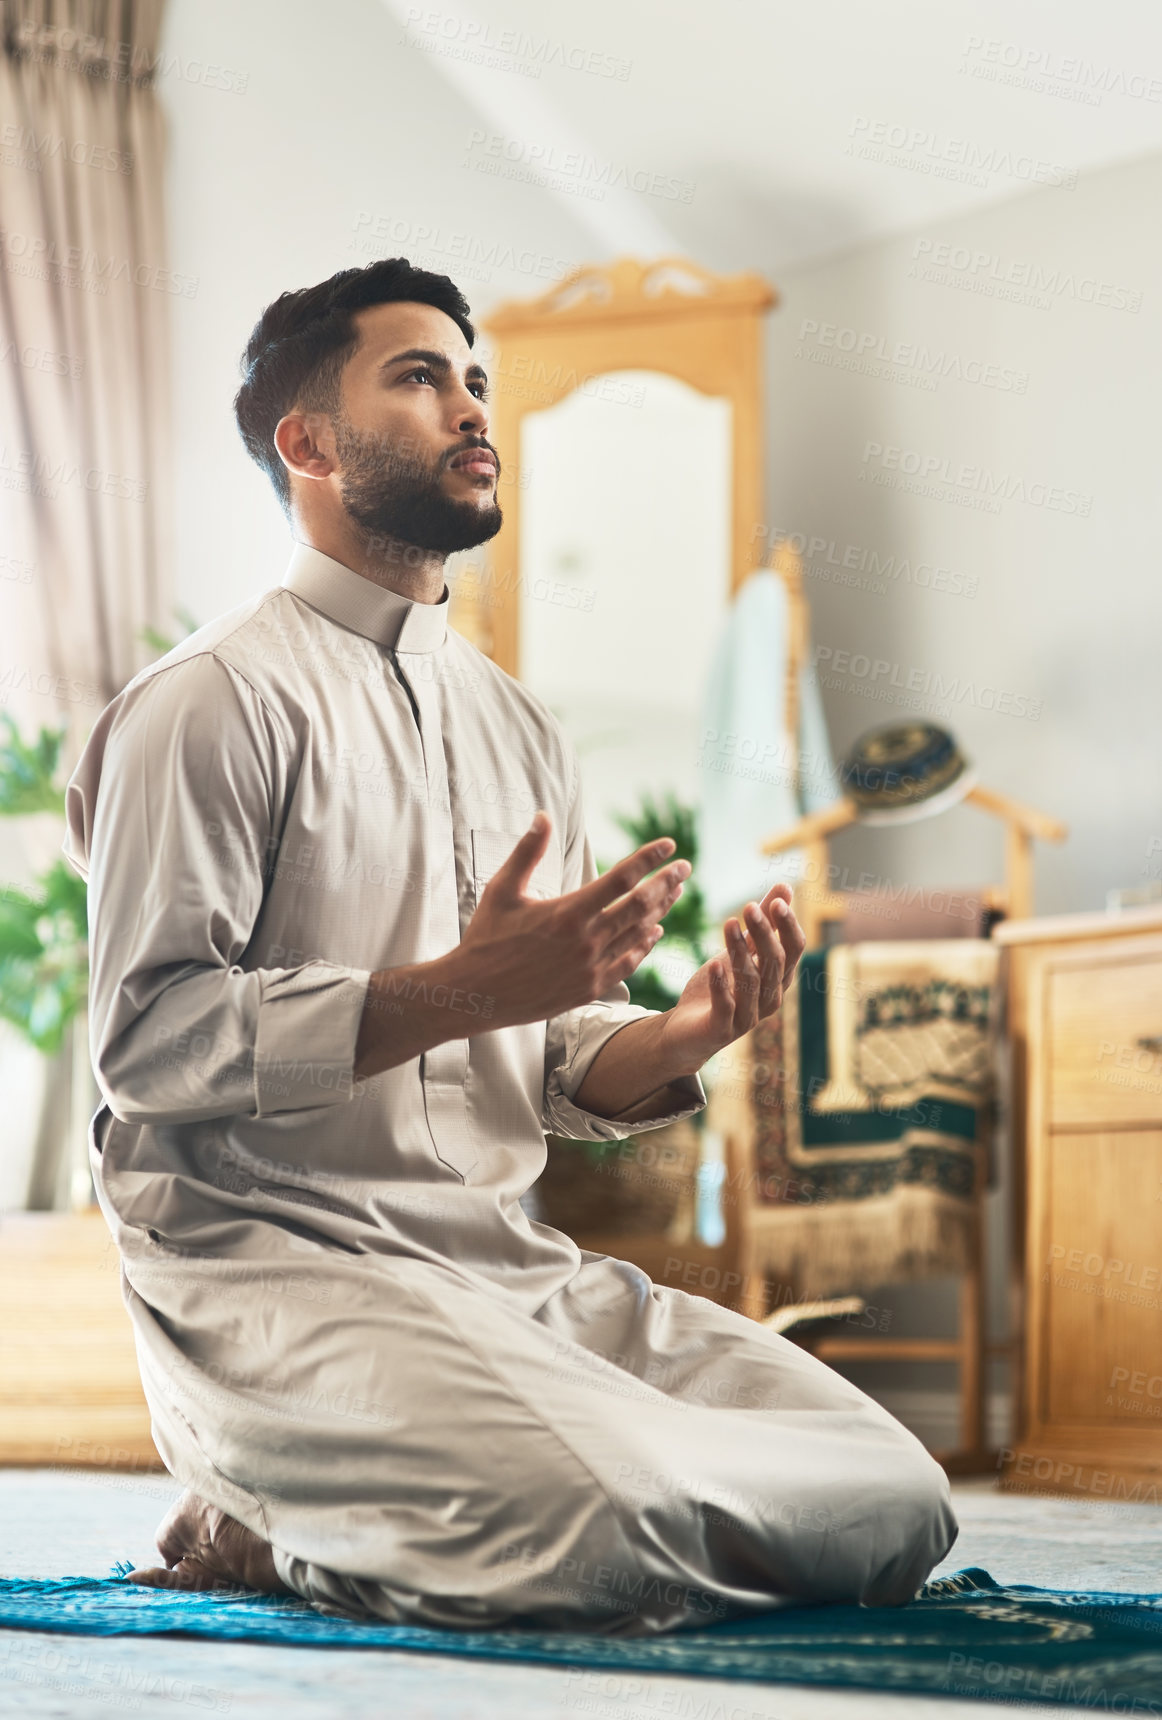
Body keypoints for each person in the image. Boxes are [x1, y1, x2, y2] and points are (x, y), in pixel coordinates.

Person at [63, 258, 957, 1634]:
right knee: (605, 1533)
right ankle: (274, 1515)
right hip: (279, 1268)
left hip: (505, 1271)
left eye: (475, 380)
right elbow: (149, 1046)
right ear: (306, 443)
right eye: (417, 378)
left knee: (893, 1499)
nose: (470, 408)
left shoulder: (521, 729)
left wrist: (678, 1035)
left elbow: (533, 1059)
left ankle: (310, 1507)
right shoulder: (207, 704)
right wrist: (467, 985)